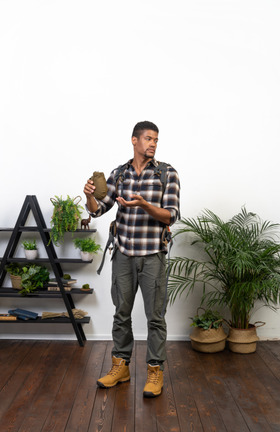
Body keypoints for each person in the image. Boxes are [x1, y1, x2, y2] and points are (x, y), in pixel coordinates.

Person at [83, 120, 180, 397]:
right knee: (121, 314)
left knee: (155, 318)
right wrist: (89, 196)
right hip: (123, 255)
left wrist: (144, 204)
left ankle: (154, 372)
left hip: (153, 257)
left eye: (156, 140)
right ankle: (120, 367)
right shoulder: (119, 174)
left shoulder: (166, 174)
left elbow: (171, 215)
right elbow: (99, 209)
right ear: (134, 140)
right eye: (148, 139)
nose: (153, 144)